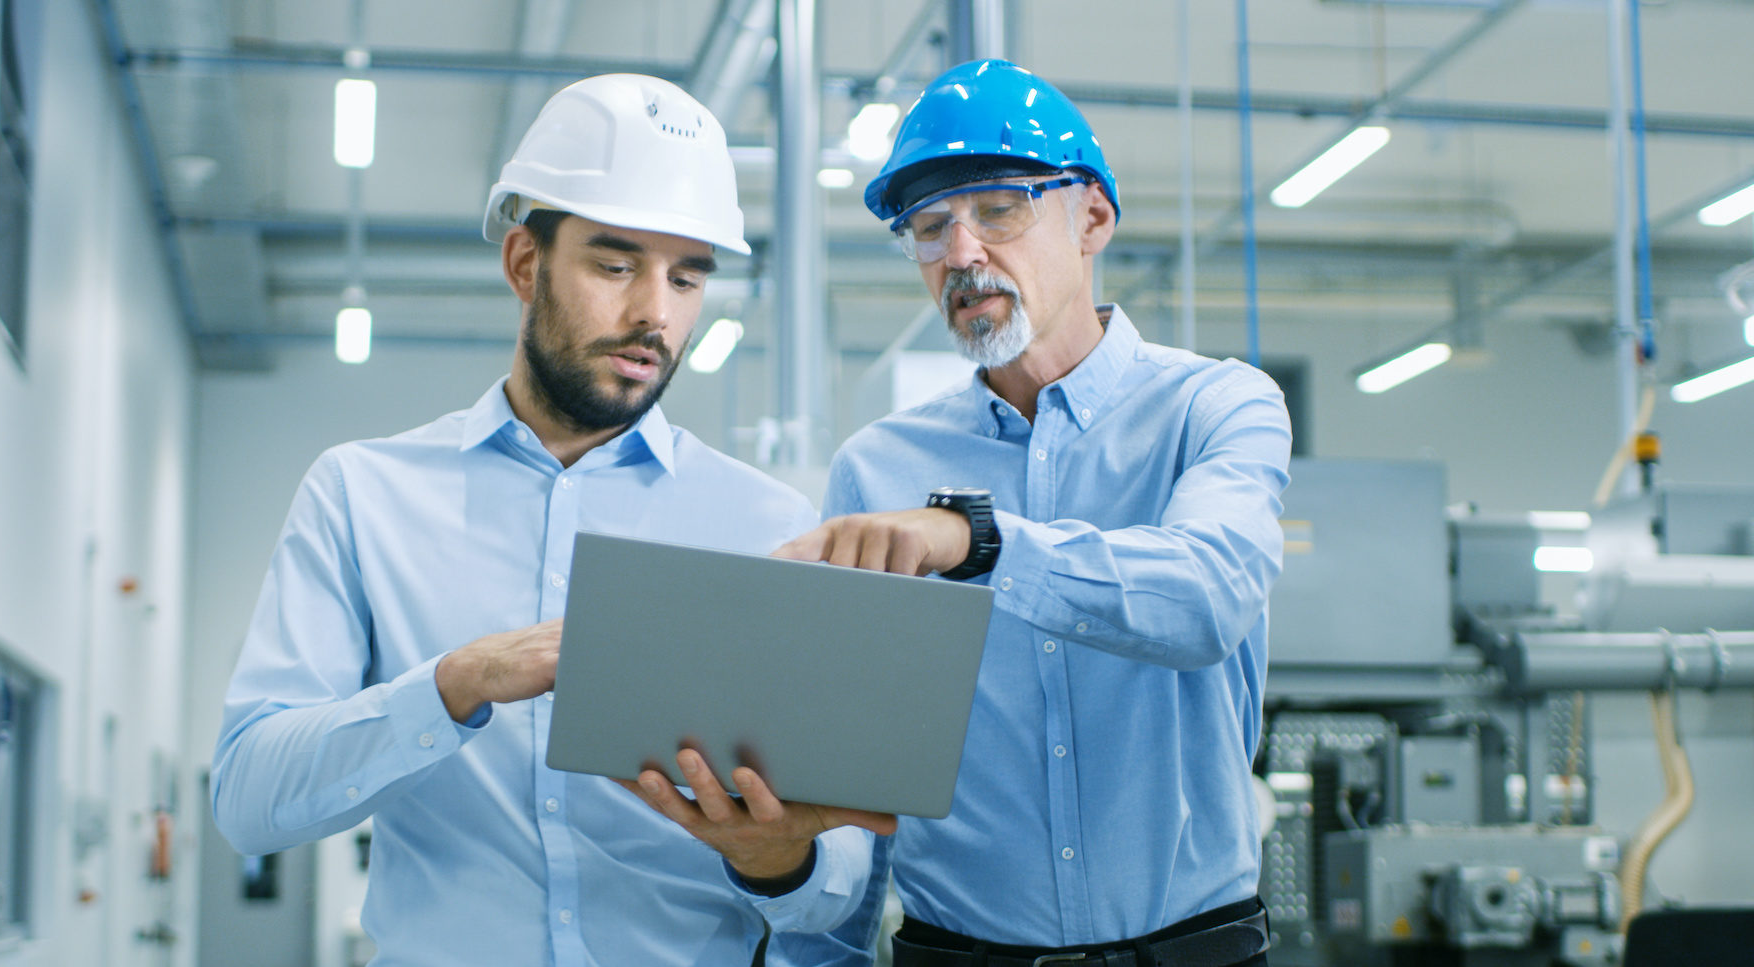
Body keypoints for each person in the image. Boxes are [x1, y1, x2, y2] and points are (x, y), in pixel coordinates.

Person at [210, 74, 887, 967]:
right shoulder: (364, 495)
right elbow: (250, 797)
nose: (655, 311)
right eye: (616, 265)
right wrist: (456, 683)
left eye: (686, 277)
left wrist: (778, 860)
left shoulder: (773, 526)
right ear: (526, 264)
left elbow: (841, 894)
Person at [770, 60, 1292, 967]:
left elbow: (1207, 595)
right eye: (929, 228)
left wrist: (979, 541)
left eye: (1000, 208)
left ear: (1092, 218)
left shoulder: (1217, 407)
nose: (963, 254)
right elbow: (862, 788)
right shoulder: (876, 469)